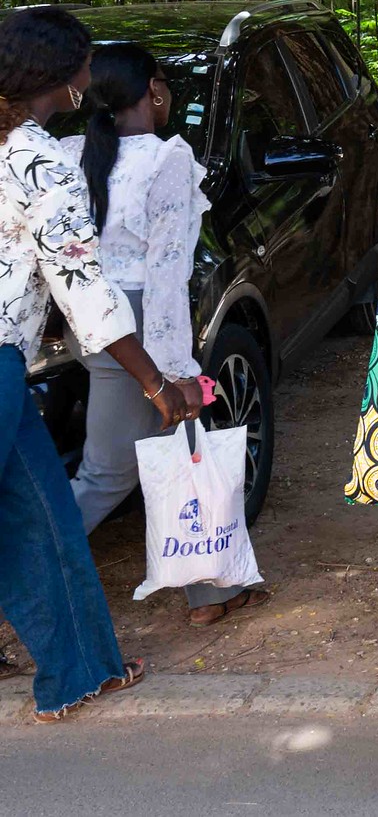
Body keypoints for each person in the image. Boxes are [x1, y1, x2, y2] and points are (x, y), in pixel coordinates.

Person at [0, 6, 204, 722]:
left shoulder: (28, 149)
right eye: (84, 57)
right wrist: (155, 379)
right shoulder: (38, 158)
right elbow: (82, 284)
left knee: (47, 518)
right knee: (39, 516)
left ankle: (82, 670)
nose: (92, 68)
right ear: (58, 73)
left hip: (11, 366)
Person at [59, 42, 267, 626]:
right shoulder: (166, 159)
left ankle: (212, 588)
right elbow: (167, 272)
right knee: (109, 472)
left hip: (91, 314)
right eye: (165, 84)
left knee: (184, 449)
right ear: (152, 90)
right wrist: (176, 370)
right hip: (139, 322)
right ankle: (27, 567)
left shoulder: (73, 151)